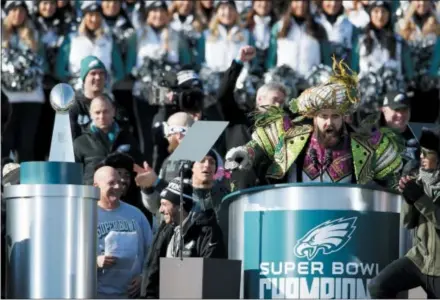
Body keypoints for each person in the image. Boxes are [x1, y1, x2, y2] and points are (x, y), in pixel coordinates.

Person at [225, 58, 403, 188]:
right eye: (323, 116)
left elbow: (392, 178)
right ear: (314, 117)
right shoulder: (289, 135)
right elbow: (257, 147)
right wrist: (244, 154)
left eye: (335, 116)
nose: (329, 122)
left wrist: (405, 182)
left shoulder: (365, 145)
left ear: (344, 118)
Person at [368, 127, 440, 299]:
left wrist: (420, 199)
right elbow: (407, 223)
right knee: (378, 287)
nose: (421, 157)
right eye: (420, 153)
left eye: (427, 153)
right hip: (420, 258)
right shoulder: (419, 180)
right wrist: (408, 199)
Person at [141, 177, 226, 299]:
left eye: (164, 204)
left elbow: (212, 275)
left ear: (180, 205)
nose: (160, 210)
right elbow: (152, 268)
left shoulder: (207, 230)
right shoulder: (165, 229)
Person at [94, 166, 152, 299]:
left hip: (131, 295)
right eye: (111, 183)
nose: (117, 187)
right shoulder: (86, 215)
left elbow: (151, 251)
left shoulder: (136, 214)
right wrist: (95, 262)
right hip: (98, 295)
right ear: (96, 186)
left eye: (119, 182)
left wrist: (144, 276)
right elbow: (71, 257)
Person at [74, 95, 143, 184]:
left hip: (123, 194)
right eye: (97, 112)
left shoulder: (128, 139)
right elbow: (73, 178)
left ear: (113, 111)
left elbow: (139, 170)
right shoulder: (80, 143)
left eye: (105, 112)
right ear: (90, 114)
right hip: (93, 195)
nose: (102, 116)